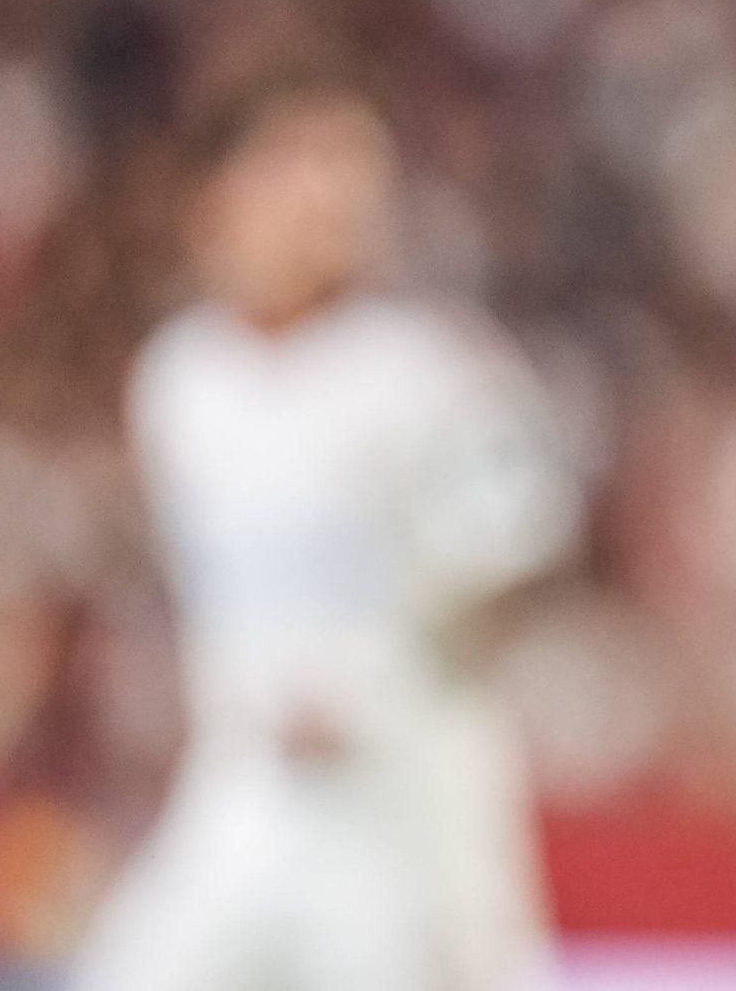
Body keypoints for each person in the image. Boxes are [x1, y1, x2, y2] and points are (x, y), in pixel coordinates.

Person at [73, 76, 581, 991]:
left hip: (391, 799)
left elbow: (523, 556)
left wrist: (397, 676)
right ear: (218, 196)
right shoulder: (179, 379)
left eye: (350, 178)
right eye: (300, 170)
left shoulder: (424, 372)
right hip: (240, 785)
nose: (330, 204)